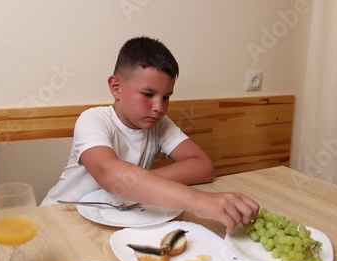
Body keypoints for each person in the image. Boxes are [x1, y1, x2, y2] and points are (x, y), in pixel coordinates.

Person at [41, 36, 259, 234]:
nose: (159, 107)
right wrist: (198, 200)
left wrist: (138, 186)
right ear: (116, 87)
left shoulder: (159, 124)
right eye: (148, 94)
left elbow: (203, 166)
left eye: (166, 97)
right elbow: (110, 174)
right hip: (57, 219)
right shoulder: (92, 120)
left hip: (111, 224)